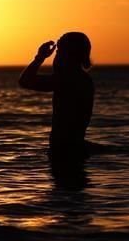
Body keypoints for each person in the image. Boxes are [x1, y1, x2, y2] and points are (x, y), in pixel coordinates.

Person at [19, 32, 96, 162]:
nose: (56, 56)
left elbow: (25, 81)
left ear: (70, 54)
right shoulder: (82, 79)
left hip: (65, 151)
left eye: (59, 51)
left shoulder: (69, 79)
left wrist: (39, 58)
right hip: (72, 147)